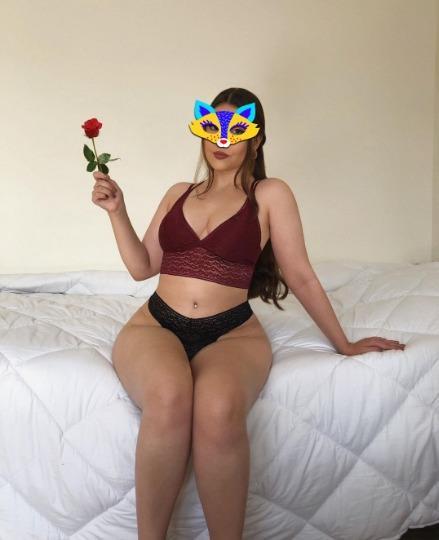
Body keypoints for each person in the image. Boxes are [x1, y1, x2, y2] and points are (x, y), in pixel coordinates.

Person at [91, 87, 405, 540]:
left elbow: (300, 275)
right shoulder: (178, 193)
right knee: (169, 396)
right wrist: (117, 211)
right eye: (212, 128)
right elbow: (142, 267)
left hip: (231, 333)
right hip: (157, 325)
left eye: (235, 130)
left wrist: (344, 343)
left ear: (255, 140)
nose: (221, 140)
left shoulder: (270, 194)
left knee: (218, 409)